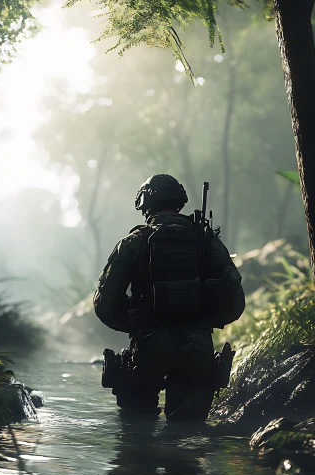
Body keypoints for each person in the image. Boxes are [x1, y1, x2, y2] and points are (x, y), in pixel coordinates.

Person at [94, 174, 245, 420]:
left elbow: (105, 303)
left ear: (145, 202)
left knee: (136, 436)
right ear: (179, 199)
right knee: (188, 435)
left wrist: (135, 323)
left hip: (148, 346)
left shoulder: (133, 242)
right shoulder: (206, 241)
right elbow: (235, 298)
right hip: (197, 348)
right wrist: (205, 321)